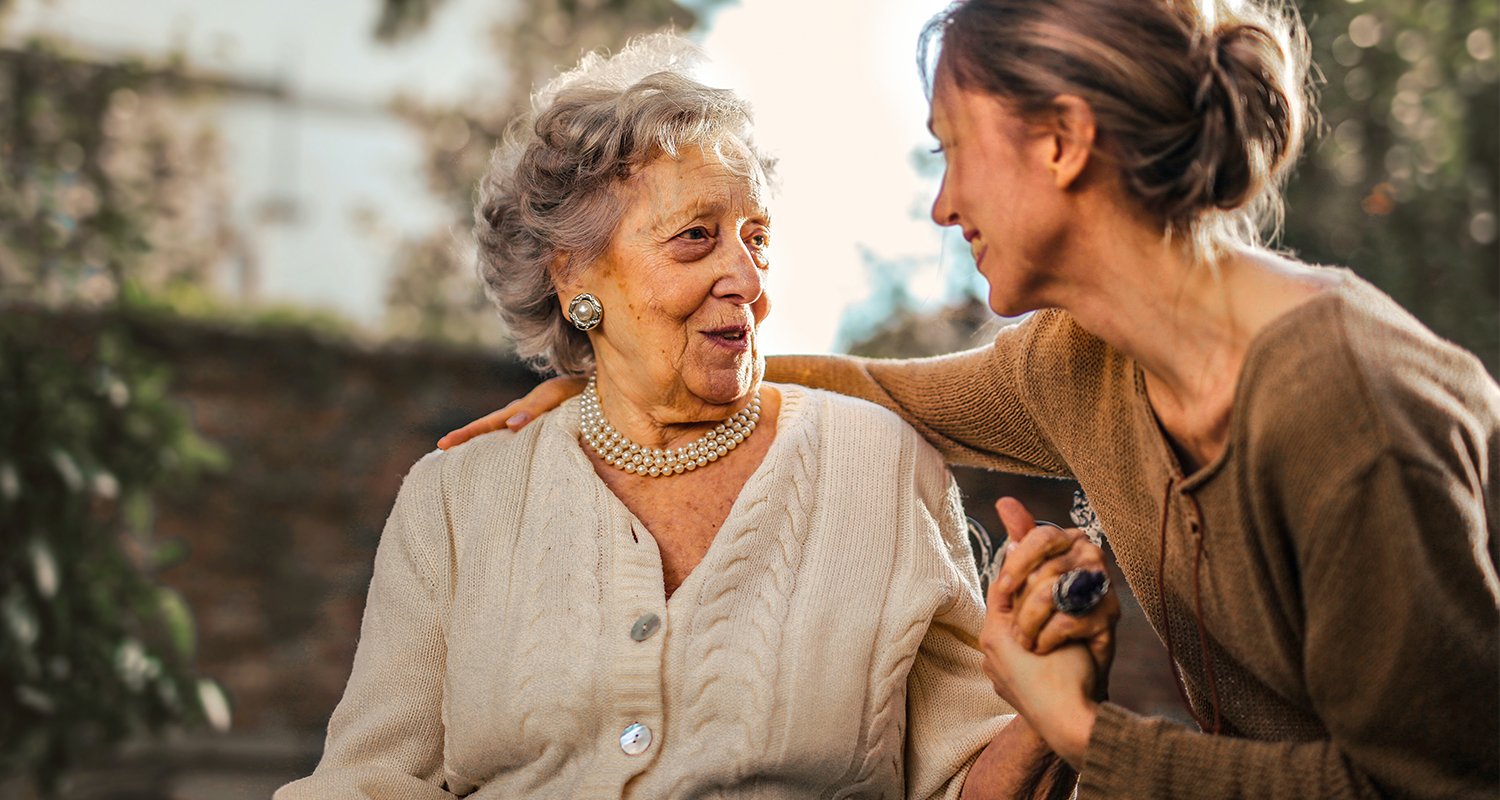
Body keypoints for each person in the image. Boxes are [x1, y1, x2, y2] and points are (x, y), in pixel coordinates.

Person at [440, 2, 1500, 798]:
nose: (943, 204)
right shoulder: (1080, 362)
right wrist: (617, 384)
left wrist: (1085, 733)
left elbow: (1434, 783)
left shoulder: (1346, 408)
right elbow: (872, 387)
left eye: (953, 150)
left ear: (1062, 140)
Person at [277, 34, 1074, 800]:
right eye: (696, 238)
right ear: (574, 273)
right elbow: (370, 780)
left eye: (756, 238)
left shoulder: (880, 466)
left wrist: (1049, 713)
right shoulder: (455, 500)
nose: (746, 278)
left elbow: (966, 782)